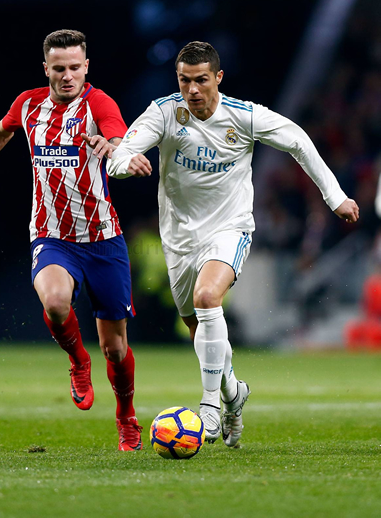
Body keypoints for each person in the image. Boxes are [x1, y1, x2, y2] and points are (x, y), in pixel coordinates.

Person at [107, 41, 359, 447]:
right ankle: (232, 393)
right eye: (185, 80)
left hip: (230, 228)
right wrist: (125, 165)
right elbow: (119, 156)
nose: (192, 89)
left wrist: (336, 197)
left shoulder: (242, 116)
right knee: (198, 331)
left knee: (209, 299)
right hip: (178, 239)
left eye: (201, 80)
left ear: (218, 78)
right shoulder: (164, 113)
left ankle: (209, 407)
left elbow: (296, 139)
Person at [0, 29, 143, 451]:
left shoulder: (99, 103)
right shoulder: (29, 103)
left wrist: (114, 148)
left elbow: (118, 135)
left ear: (86, 67)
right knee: (54, 302)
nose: (67, 76)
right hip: (52, 236)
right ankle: (77, 361)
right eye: (59, 68)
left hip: (104, 239)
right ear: (46, 68)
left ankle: (126, 416)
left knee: (117, 349)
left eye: (74, 68)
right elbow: (0, 132)